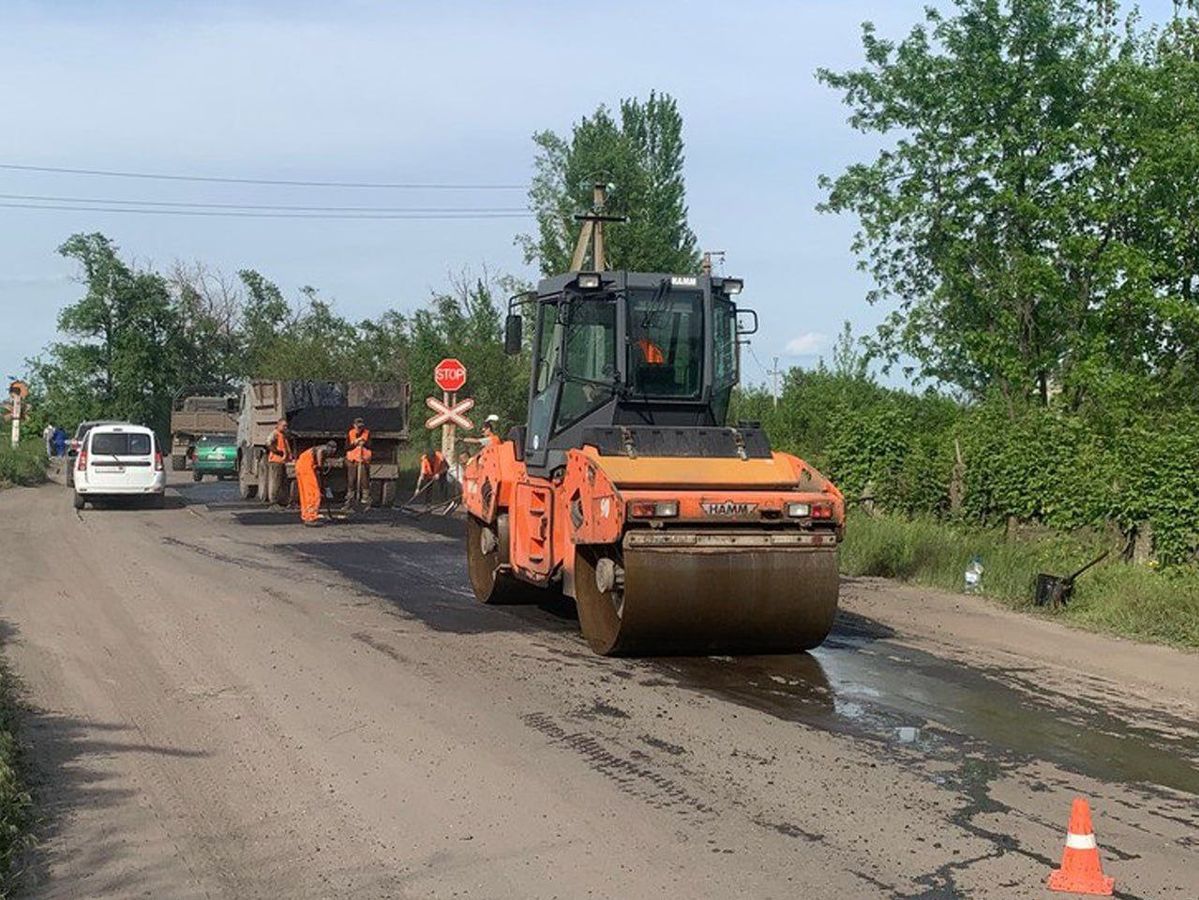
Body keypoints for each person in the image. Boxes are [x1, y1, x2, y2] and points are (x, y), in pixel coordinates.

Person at [295, 440, 338, 526]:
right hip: (306, 467)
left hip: (301, 466)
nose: (333, 452)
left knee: (305, 493)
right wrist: (320, 466)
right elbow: (319, 453)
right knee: (314, 493)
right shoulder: (323, 449)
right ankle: (311, 517)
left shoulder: (320, 448)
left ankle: (306, 515)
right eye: (333, 450)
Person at [344, 416, 372, 510]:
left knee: (364, 480)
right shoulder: (350, 433)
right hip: (352, 460)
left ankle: (365, 500)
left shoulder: (367, 433)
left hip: (363, 460)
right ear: (354, 425)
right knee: (351, 480)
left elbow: (370, 446)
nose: (360, 428)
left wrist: (364, 443)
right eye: (358, 426)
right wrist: (354, 443)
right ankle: (350, 500)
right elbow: (346, 447)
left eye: (361, 426)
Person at [266, 417, 294, 503]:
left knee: (282, 481)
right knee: (276, 481)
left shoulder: (283, 435)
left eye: (286, 426)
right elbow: (268, 443)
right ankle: (274, 501)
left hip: (282, 461)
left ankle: (282, 500)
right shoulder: (275, 433)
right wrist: (278, 452)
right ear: (278, 425)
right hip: (276, 461)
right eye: (284, 426)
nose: (285, 428)